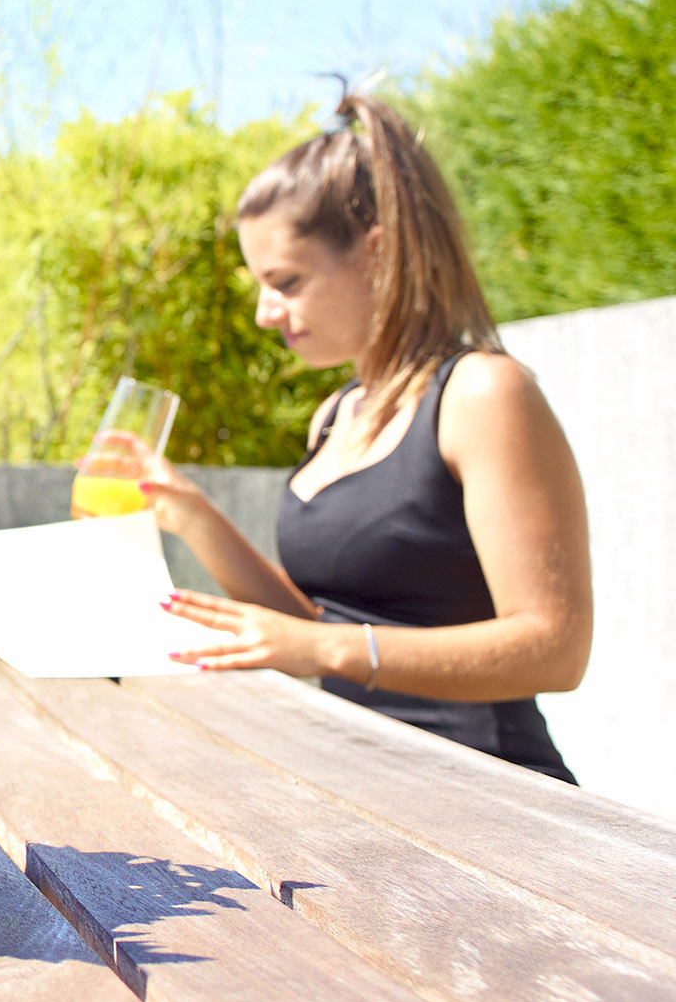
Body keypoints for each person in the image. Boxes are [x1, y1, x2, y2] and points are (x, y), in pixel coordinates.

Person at [141, 91, 591, 782]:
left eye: (285, 282)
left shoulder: (482, 393)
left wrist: (325, 651)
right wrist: (195, 519)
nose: (266, 313)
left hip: (491, 792)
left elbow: (555, 649)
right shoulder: (340, 411)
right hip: (361, 780)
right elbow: (316, 627)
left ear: (377, 256)